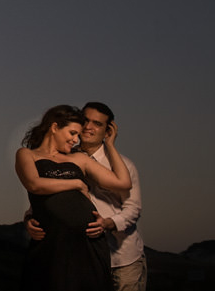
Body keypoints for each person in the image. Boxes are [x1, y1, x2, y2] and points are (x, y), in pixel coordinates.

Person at [26, 102, 147, 291]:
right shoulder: (63, 158)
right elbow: (48, 195)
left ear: (107, 131)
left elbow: (133, 209)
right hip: (78, 255)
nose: (89, 127)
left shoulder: (123, 165)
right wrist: (30, 217)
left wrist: (106, 223)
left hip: (121, 258)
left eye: (97, 124)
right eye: (86, 121)